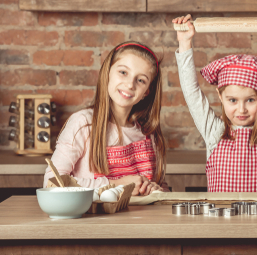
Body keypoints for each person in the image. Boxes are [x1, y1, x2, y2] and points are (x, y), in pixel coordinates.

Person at [173, 14, 257, 192]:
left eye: (250, 100)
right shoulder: (214, 132)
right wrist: (185, 44)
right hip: (221, 220)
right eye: (232, 100)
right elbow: (191, 93)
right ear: (220, 96)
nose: (241, 109)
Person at [43, 42, 167, 196]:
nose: (130, 84)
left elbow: (159, 186)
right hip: (95, 220)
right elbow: (51, 183)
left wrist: (156, 190)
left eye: (141, 80)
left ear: (146, 92)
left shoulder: (148, 133)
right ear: (107, 72)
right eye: (123, 72)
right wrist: (116, 185)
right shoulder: (83, 123)